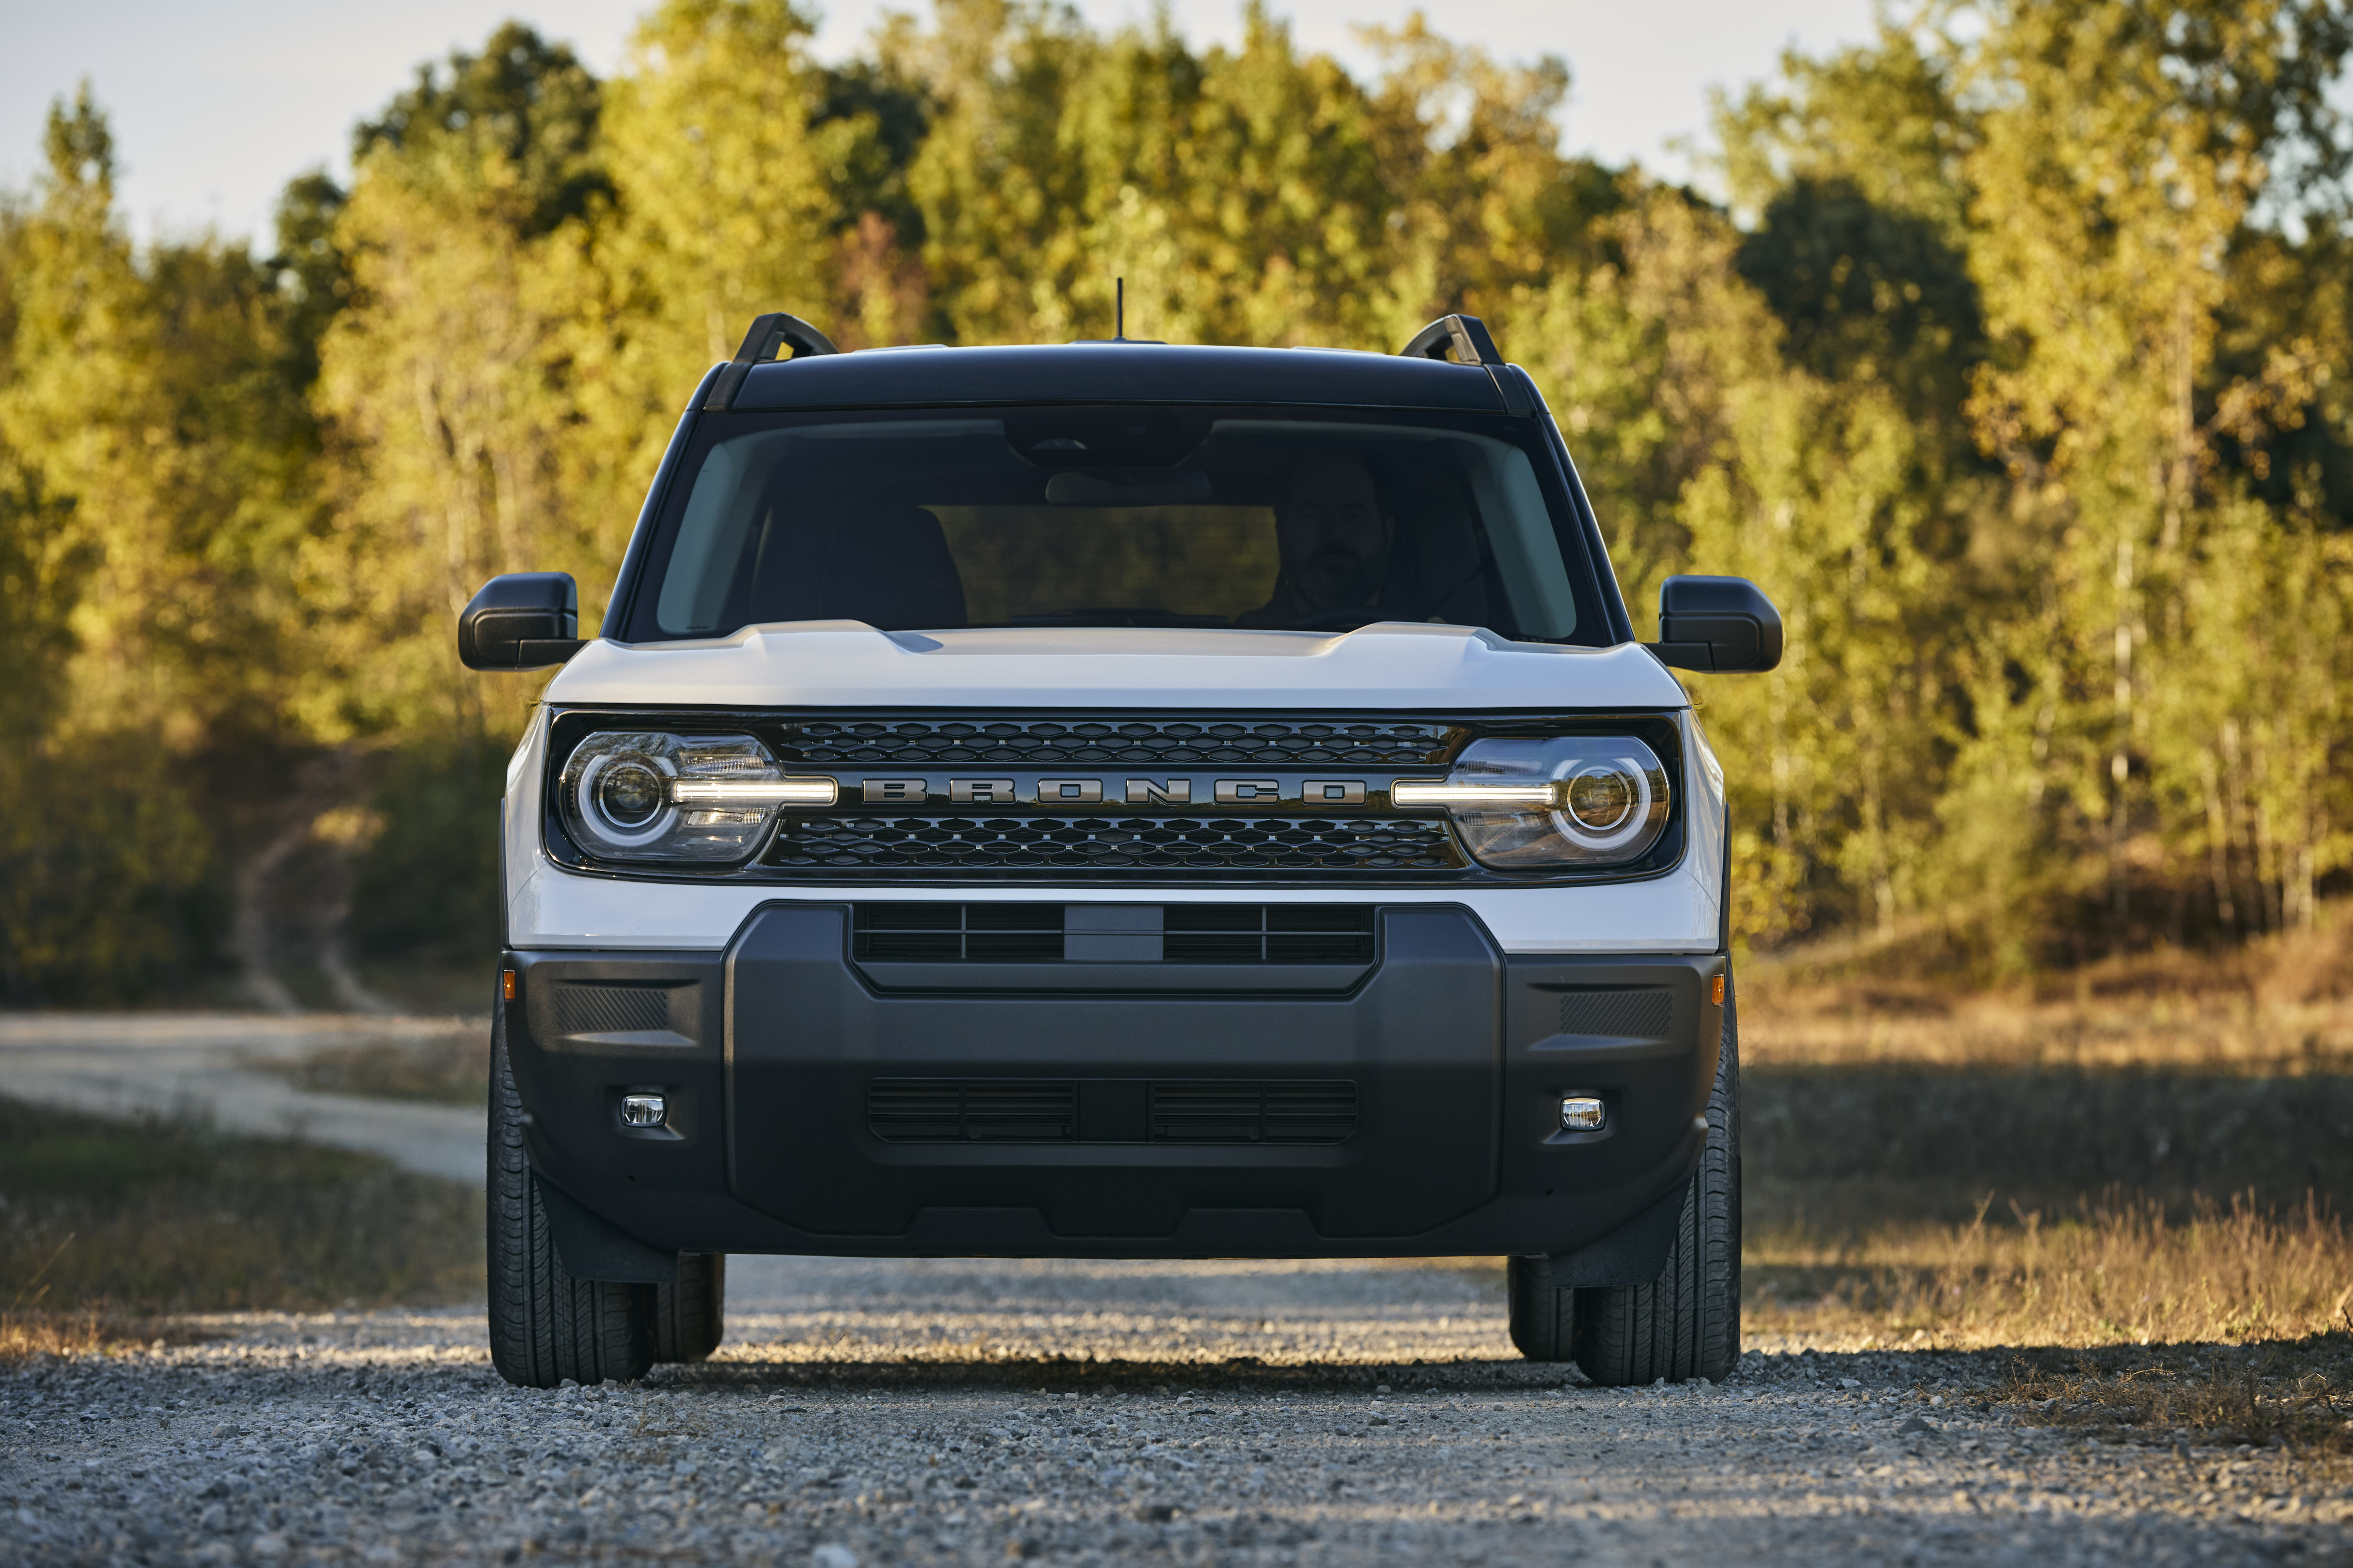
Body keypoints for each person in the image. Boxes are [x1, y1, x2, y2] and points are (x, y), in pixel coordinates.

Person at [1235, 452, 1392, 629]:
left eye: (1353, 516)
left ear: (1388, 532)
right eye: (1312, 517)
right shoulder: (1246, 642)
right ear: (1282, 533)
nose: (1334, 534)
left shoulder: (1426, 634)